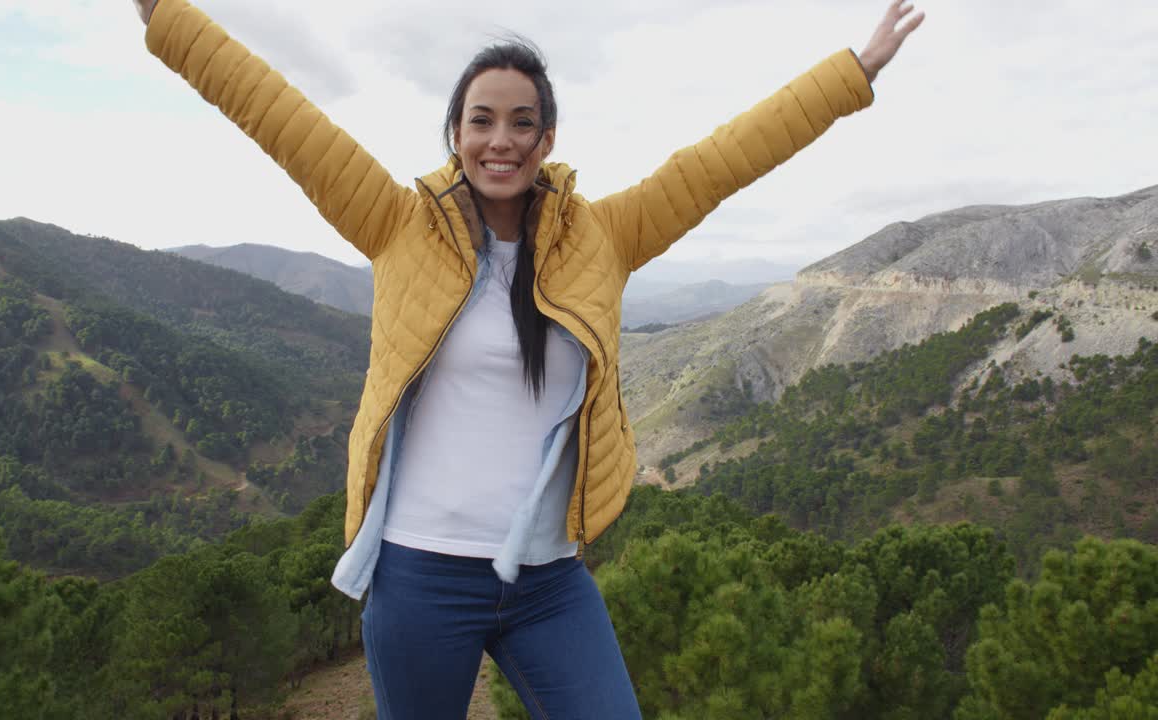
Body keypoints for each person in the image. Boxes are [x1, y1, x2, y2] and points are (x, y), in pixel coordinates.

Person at [132, 0, 923, 717]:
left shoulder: (605, 237)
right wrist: (167, 16)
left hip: (547, 579)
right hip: (420, 574)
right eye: (481, 121)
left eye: (522, 122)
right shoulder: (395, 223)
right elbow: (279, 116)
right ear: (456, 134)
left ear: (547, 140)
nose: (500, 140)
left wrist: (851, 73)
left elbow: (722, 162)